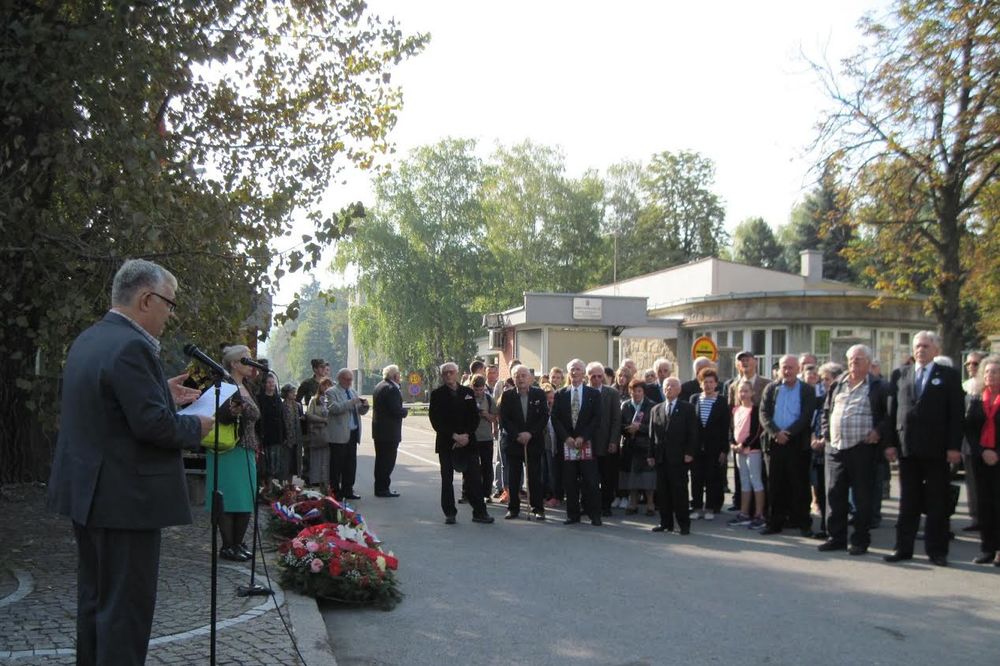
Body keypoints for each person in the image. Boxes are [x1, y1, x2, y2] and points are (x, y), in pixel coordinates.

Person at [46, 259, 212, 665]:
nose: (170, 315)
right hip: (126, 500)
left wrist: (162, 390)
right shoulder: (133, 346)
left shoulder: (91, 338)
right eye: (169, 304)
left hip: (90, 496)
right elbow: (153, 426)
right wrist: (200, 426)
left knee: (95, 602)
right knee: (125, 613)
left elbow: (109, 407)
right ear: (145, 299)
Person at [884, 331, 964, 567]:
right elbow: (892, 411)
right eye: (917, 346)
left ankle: (937, 551)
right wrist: (890, 443)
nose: (921, 350)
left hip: (937, 450)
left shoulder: (948, 375)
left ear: (936, 350)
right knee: (908, 502)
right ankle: (903, 548)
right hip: (908, 448)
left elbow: (956, 414)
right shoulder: (900, 373)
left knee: (936, 503)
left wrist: (953, 447)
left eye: (926, 346)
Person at [816, 345, 890, 556]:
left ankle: (860, 540)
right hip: (836, 448)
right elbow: (826, 411)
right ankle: (836, 537)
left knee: (862, 498)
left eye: (858, 360)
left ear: (868, 362)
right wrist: (826, 435)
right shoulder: (838, 383)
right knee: (834, 495)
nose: (853, 363)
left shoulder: (878, 386)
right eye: (850, 360)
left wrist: (878, 431)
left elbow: (888, 415)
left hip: (862, 449)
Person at [206, 345, 263, 562]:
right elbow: (216, 413)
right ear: (233, 364)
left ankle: (238, 543)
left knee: (246, 499)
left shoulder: (247, 385)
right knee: (228, 499)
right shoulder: (222, 384)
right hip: (227, 448)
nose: (250, 363)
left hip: (247, 447)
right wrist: (231, 412)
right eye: (245, 359)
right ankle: (228, 546)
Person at [429, 362, 494, 524]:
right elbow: (436, 420)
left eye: (451, 372)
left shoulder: (468, 393)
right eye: (446, 373)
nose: (449, 375)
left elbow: (474, 417)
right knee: (447, 479)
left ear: (457, 373)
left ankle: (479, 512)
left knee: (474, 477)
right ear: (443, 376)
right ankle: (450, 513)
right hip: (447, 443)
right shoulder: (437, 394)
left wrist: (465, 435)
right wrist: (454, 436)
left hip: (468, 442)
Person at [759, 355, 817, 536]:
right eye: (784, 367)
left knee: (799, 484)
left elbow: (806, 416)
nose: (787, 371)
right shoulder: (771, 388)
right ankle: (774, 522)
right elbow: (763, 413)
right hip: (774, 443)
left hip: (796, 444)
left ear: (798, 369)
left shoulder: (806, 390)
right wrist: (776, 432)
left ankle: (803, 523)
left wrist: (788, 433)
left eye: (791, 367)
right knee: (775, 485)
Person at [551, 358, 603, 526]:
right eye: (572, 369)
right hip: (568, 445)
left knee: (591, 481)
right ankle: (572, 515)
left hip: (586, 444)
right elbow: (555, 418)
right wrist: (566, 438)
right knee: (570, 481)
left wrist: (583, 437)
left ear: (583, 373)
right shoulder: (560, 394)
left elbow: (596, 418)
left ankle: (594, 514)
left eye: (578, 369)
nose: (575, 372)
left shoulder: (593, 394)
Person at [649, 377, 699, 534]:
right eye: (666, 386)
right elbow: (652, 436)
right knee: (663, 493)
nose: (668, 388)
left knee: (679, 492)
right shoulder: (656, 409)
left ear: (679, 389)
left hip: (679, 457)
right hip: (661, 458)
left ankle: (684, 524)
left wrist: (690, 453)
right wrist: (651, 455)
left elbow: (693, 433)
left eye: (672, 386)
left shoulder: (688, 408)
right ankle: (665, 523)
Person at [499, 365, 549, 520]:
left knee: (534, 477)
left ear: (529, 378)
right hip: (514, 442)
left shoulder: (539, 393)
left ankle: (537, 508)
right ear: (513, 379)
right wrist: (517, 435)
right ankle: (513, 508)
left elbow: (544, 417)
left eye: (523, 375)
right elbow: (504, 419)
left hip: (533, 441)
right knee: (514, 478)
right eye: (517, 376)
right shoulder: (507, 395)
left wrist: (530, 434)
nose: (520, 379)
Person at [964, 355, 1000, 566]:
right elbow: (969, 429)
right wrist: (981, 451)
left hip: (998, 457)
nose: (989, 375)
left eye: (994, 372)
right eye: (986, 372)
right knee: (983, 504)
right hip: (979, 458)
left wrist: (996, 453)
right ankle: (987, 548)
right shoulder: (977, 399)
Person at [689, 367, 729, 521]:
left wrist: (724, 450)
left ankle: (710, 508)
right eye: (705, 382)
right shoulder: (694, 399)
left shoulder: (721, 401)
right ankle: (697, 507)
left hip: (715, 447)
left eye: (711, 382)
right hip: (696, 448)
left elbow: (725, 427)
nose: (708, 385)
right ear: (700, 384)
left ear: (716, 384)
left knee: (712, 478)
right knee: (696, 478)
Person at [325, 368, 369, 501]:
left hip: (353, 432)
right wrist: (352, 402)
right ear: (340, 379)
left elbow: (358, 411)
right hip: (339, 435)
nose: (350, 382)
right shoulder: (331, 392)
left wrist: (364, 406)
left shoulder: (353, 391)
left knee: (351, 464)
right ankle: (335, 491)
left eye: (351, 379)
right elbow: (334, 408)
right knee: (337, 465)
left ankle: (348, 489)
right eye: (347, 379)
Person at [728, 380, 765, 528]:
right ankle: (744, 513)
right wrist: (733, 444)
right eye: (740, 391)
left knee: (756, 481)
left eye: (746, 391)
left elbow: (757, 431)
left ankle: (759, 514)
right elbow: (732, 429)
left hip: (752, 450)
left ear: (752, 393)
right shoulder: (736, 409)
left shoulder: (755, 410)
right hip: (738, 451)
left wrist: (743, 445)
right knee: (744, 482)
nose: (743, 394)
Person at [587, 361, 623, 517]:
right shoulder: (584, 392)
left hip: (607, 441)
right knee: (589, 477)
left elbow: (616, 419)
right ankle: (589, 504)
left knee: (607, 476)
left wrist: (614, 441)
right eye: (593, 376)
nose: (596, 379)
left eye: (599, 376)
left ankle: (606, 505)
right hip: (587, 442)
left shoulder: (612, 393)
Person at [620, 379, 657, 515]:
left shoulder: (651, 405)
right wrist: (627, 429)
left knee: (648, 477)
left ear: (643, 392)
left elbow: (655, 427)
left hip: (645, 446)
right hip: (630, 446)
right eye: (633, 391)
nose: (636, 394)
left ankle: (650, 504)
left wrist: (639, 428)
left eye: (639, 391)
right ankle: (633, 503)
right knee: (632, 477)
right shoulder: (625, 405)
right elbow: (620, 424)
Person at [371, 364, 409, 498]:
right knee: (387, 461)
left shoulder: (379, 386)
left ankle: (380, 487)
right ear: (394, 375)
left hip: (380, 430)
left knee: (381, 461)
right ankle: (383, 488)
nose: (400, 376)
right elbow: (395, 410)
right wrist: (405, 411)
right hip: (389, 432)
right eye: (399, 374)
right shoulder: (391, 389)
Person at [962, 351, 986, 532]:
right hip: (967, 443)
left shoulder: (988, 387)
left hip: (987, 442)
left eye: (975, 364)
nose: (971, 367)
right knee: (972, 481)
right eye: (968, 364)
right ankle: (975, 516)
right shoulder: (964, 386)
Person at [468, 374, 498, 505]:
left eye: (480, 389)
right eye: (476, 389)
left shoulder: (489, 399)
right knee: (471, 467)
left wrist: (486, 415)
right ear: (472, 388)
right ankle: (469, 492)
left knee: (487, 466)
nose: (478, 392)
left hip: (486, 438)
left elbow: (495, 418)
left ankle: (487, 493)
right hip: (471, 437)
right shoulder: (468, 398)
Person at [258, 372, 288, 491]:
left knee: (274, 464)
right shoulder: (260, 398)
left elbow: (282, 417)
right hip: (264, 435)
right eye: (269, 382)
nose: (271, 384)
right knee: (264, 463)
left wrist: (284, 434)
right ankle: (263, 487)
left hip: (277, 435)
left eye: (273, 382)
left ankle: (271, 487)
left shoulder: (277, 399)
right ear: (264, 384)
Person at [305, 378, 333, 488]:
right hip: (317, 432)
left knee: (327, 458)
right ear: (320, 387)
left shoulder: (332, 399)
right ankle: (315, 480)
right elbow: (309, 414)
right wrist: (322, 420)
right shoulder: (314, 400)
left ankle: (325, 480)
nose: (326, 388)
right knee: (315, 457)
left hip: (329, 433)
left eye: (328, 386)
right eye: (324, 385)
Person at [281, 383, 304, 484]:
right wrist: (283, 437)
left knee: (294, 462)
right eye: (292, 392)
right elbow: (281, 422)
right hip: (286, 438)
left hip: (296, 437)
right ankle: (283, 484)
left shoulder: (298, 405)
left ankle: (290, 484)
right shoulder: (282, 406)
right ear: (286, 393)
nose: (294, 394)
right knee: (286, 461)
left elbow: (301, 417)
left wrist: (303, 418)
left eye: (294, 392)